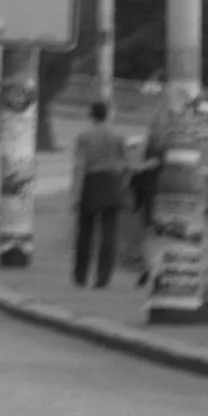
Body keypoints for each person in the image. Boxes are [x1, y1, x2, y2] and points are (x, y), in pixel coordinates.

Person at [68, 97, 127, 289]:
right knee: (109, 232)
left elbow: (79, 165)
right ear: (108, 114)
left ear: (91, 115)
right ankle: (103, 276)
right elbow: (125, 163)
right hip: (112, 182)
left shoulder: (84, 136)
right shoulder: (117, 136)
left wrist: (75, 194)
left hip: (91, 182)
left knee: (85, 231)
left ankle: (81, 274)